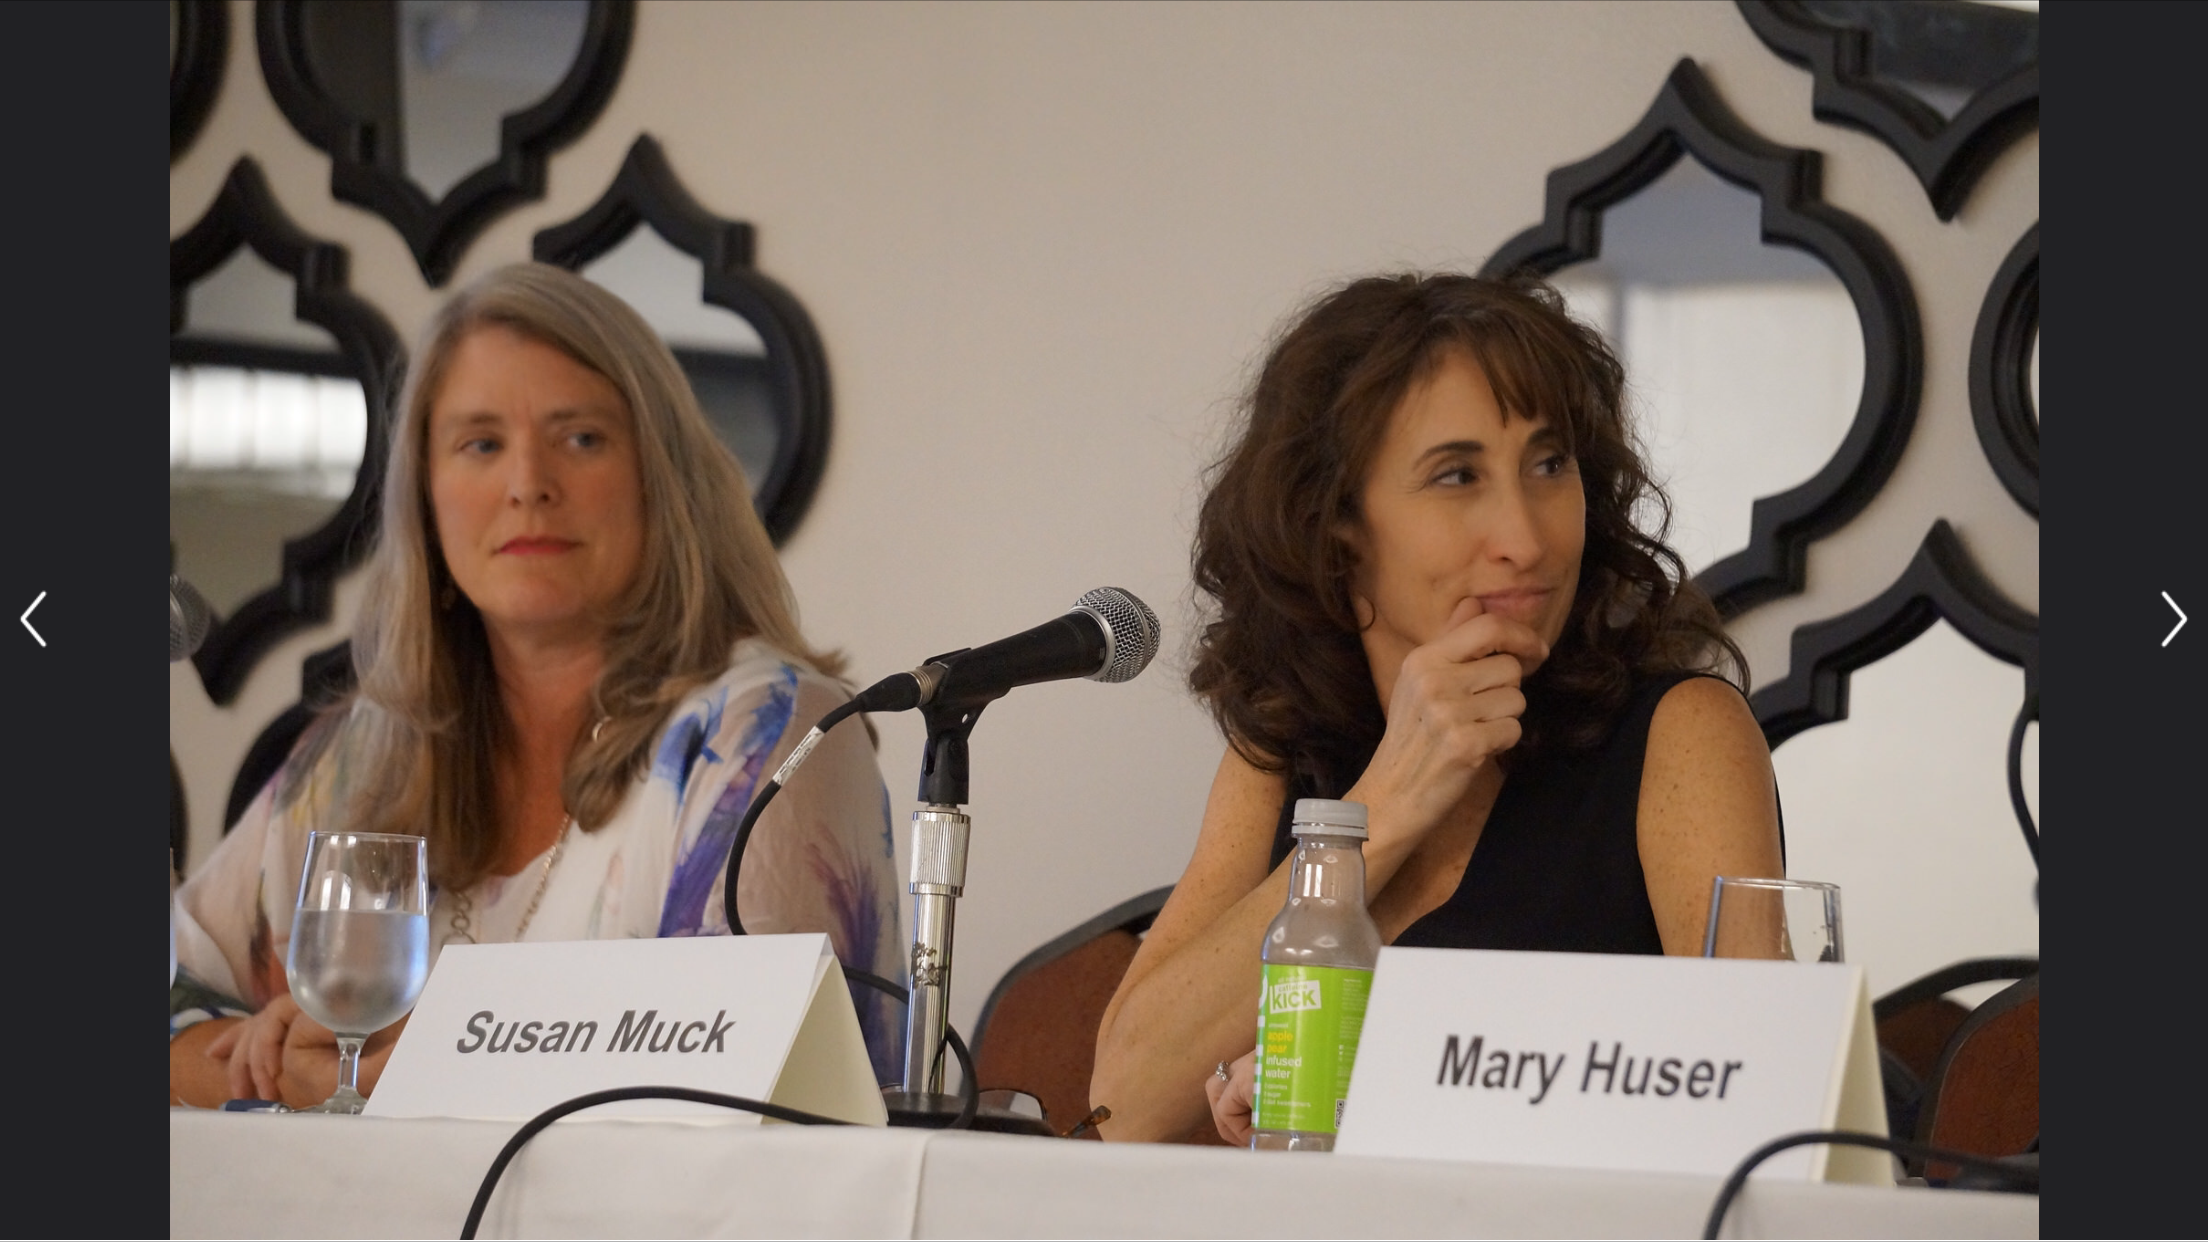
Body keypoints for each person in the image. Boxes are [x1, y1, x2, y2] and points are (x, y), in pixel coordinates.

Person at [169, 263, 902, 1108]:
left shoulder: (768, 733)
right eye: (481, 444)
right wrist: (292, 1074)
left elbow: (730, 1100)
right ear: (425, 502)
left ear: (662, 482)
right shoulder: (360, 755)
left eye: (581, 438)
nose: (528, 484)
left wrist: (409, 1075)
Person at [1089, 272, 1784, 1144]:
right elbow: (1121, 1105)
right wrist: (1386, 806)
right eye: (1457, 476)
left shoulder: (1681, 733)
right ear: (1335, 524)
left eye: (1550, 465)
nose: (1526, 540)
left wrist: (1378, 1077)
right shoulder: (1284, 753)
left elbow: (1757, 1112)